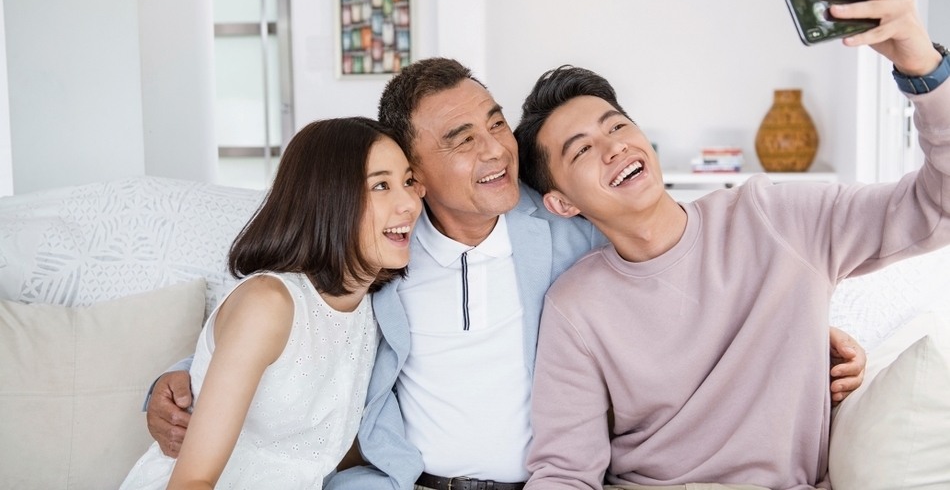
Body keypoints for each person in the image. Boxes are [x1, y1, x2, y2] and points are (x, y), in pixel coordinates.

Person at [146, 60, 867, 489]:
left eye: (495, 122)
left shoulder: (568, 227)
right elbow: (296, 308)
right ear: (413, 169)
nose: (496, 148)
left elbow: (685, 271)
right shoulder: (386, 242)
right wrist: (180, 375)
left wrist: (800, 328)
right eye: (462, 139)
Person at [513, 0, 950, 490]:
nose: (614, 147)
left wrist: (921, 62)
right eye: (582, 149)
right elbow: (565, 472)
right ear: (562, 203)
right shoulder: (575, 305)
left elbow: (935, 205)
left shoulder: (776, 217)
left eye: (618, 125)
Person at [121, 117, 422, 490]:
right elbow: (192, 480)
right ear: (328, 199)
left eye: (408, 181)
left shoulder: (371, 308)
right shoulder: (269, 304)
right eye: (381, 185)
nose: (409, 202)